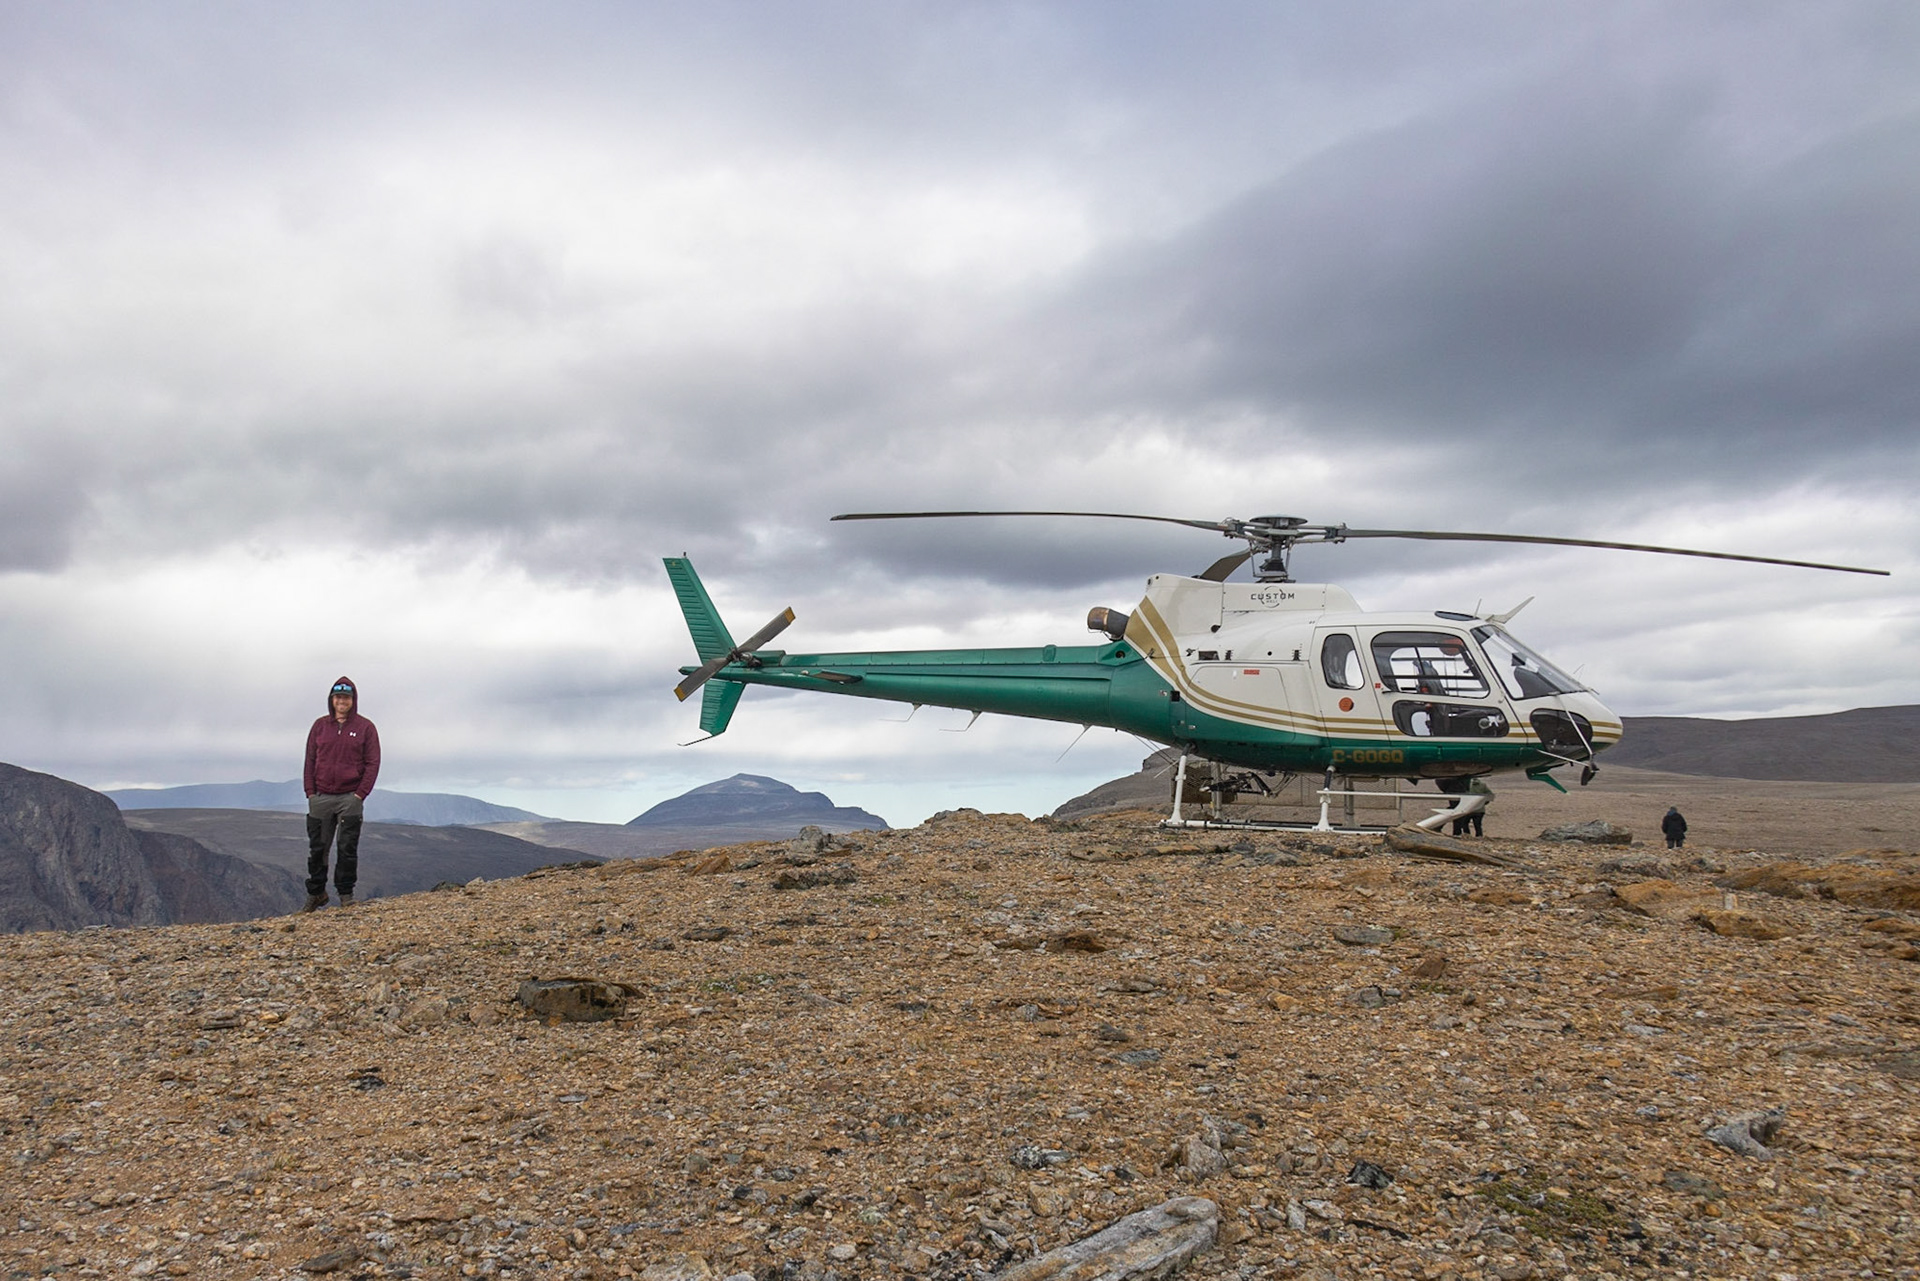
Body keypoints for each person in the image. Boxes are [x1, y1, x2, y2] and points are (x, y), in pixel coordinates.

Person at [302, 677, 380, 910]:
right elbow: (310, 760)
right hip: (321, 797)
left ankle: (346, 895)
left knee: (347, 848)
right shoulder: (319, 726)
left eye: (346, 697)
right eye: (338, 697)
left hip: (350, 798)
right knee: (318, 849)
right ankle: (316, 893)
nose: (342, 701)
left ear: (353, 700)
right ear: (332, 700)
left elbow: (373, 762)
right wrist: (310, 792)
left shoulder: (365, 727)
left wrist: (360, 794)